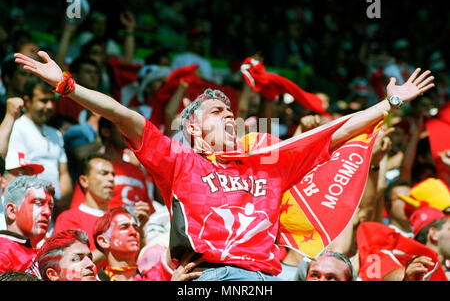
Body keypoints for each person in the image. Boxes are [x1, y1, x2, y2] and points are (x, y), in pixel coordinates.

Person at [14, 50, 435, 280]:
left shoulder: (270, 163)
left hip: (267, 281)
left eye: (229, 110)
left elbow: (336, 132)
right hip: (207, 280)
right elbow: (122, 115)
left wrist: (391, 102)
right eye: (216, 112)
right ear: (193, 130)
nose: (228, 115)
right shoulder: (176, 159)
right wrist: (67, 86)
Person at [4, 75, 72, 216]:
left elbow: (64, 173)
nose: (49, 106)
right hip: (29, 209)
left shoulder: (56, 134)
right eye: (43, 101)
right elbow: (18, 173)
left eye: (52, 101)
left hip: (54, 209)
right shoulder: (17, 128)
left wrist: (60, 202)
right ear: (27, 101)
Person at [94, 206, 200, 281]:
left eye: (136, 227)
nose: (134, 232)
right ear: (103, 241)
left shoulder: (156, 275)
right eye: (124, 227)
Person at [54, 153, 114, 266]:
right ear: (84, 181)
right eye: (104, 173)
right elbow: (70, 264)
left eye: (113, 175)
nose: (111, 179)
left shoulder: (120, 218)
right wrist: (114, 242)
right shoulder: (68, 219)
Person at [0, 175, 54, 275]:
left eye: (50, 207)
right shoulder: (3, 252)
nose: (48, 212)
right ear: (12, 211)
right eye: (38, 203)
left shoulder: (45, 253)